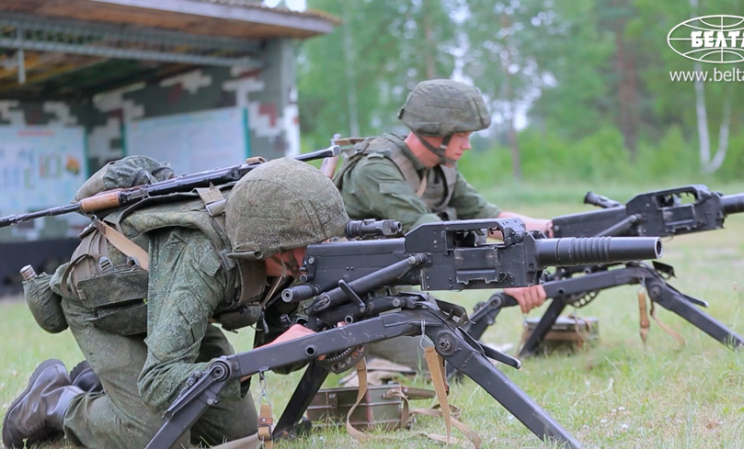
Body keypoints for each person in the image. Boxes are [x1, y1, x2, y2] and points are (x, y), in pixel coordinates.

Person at [2, 157, 349, 449]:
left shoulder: (287, 254)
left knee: (238, 433)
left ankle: (105, 385)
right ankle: (54, 401)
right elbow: (160, 380)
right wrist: (257, 361)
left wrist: (323, 338)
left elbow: (278, 346)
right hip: (106, 313)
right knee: (159, 436)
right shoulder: (203, 256)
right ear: (271, 242)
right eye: (310, 244)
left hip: (170, 314)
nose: (317, 252)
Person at [334, 79, 551, 368]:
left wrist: (552, 230)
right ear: (437, 132)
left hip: (393, 291)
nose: (468, 145)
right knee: (448, 363)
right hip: (349, 301)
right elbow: (436, 239)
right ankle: (369, 356)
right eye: (462, 135)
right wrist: (508, 273)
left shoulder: (440, 168)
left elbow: (488, 216)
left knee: (459, 349)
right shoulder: (375, 170)